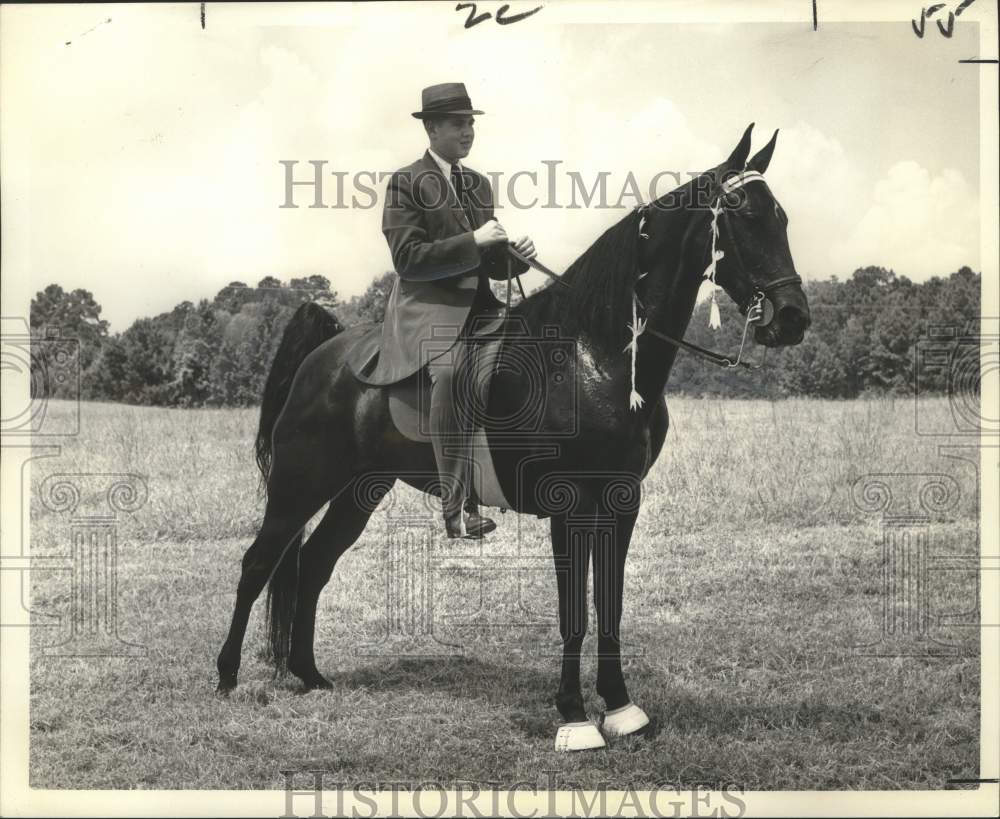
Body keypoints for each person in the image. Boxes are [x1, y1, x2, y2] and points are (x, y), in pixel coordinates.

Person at [375, 82, 536, 538]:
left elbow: (490, 262)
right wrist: (475, 240)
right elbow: (407, 258)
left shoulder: (478, 184)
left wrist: (514, 255)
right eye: (457, 123)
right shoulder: (406, 181)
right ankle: (455, 506)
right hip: (428, 310)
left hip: (483, 308)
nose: (468, 131)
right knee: (449, 374)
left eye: (470, 123)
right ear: (431, 128)